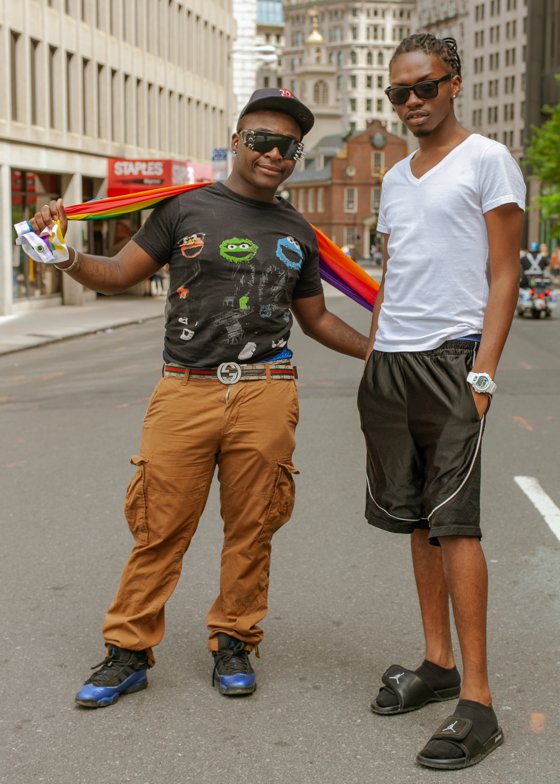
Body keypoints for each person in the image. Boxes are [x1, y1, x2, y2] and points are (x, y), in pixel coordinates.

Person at [30, 88, 368, 708]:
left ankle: (234, 641)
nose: (275, 154)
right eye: (262, 140)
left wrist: (379, 350)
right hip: (184, 390)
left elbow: (316, 319)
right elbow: (117, 274)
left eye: (288, 146)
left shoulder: (297, 228)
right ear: (236, 142)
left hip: (266, 391)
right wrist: (65, 257)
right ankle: (127, 651)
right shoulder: (184, 209)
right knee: (160, 526)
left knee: (252, 528)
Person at [357, 35, 525, 770]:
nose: (412, 102)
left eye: (424, 88)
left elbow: (504, 272)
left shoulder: (488, 159)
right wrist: (373, 353)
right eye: (399, 93)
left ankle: (479, 702)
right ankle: (437, 662)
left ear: (454, 84)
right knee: (417, 520)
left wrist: (482, 373)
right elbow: (393, 275)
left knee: (456, 525)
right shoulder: (395, 178)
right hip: (392, 364)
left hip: (455, 360)